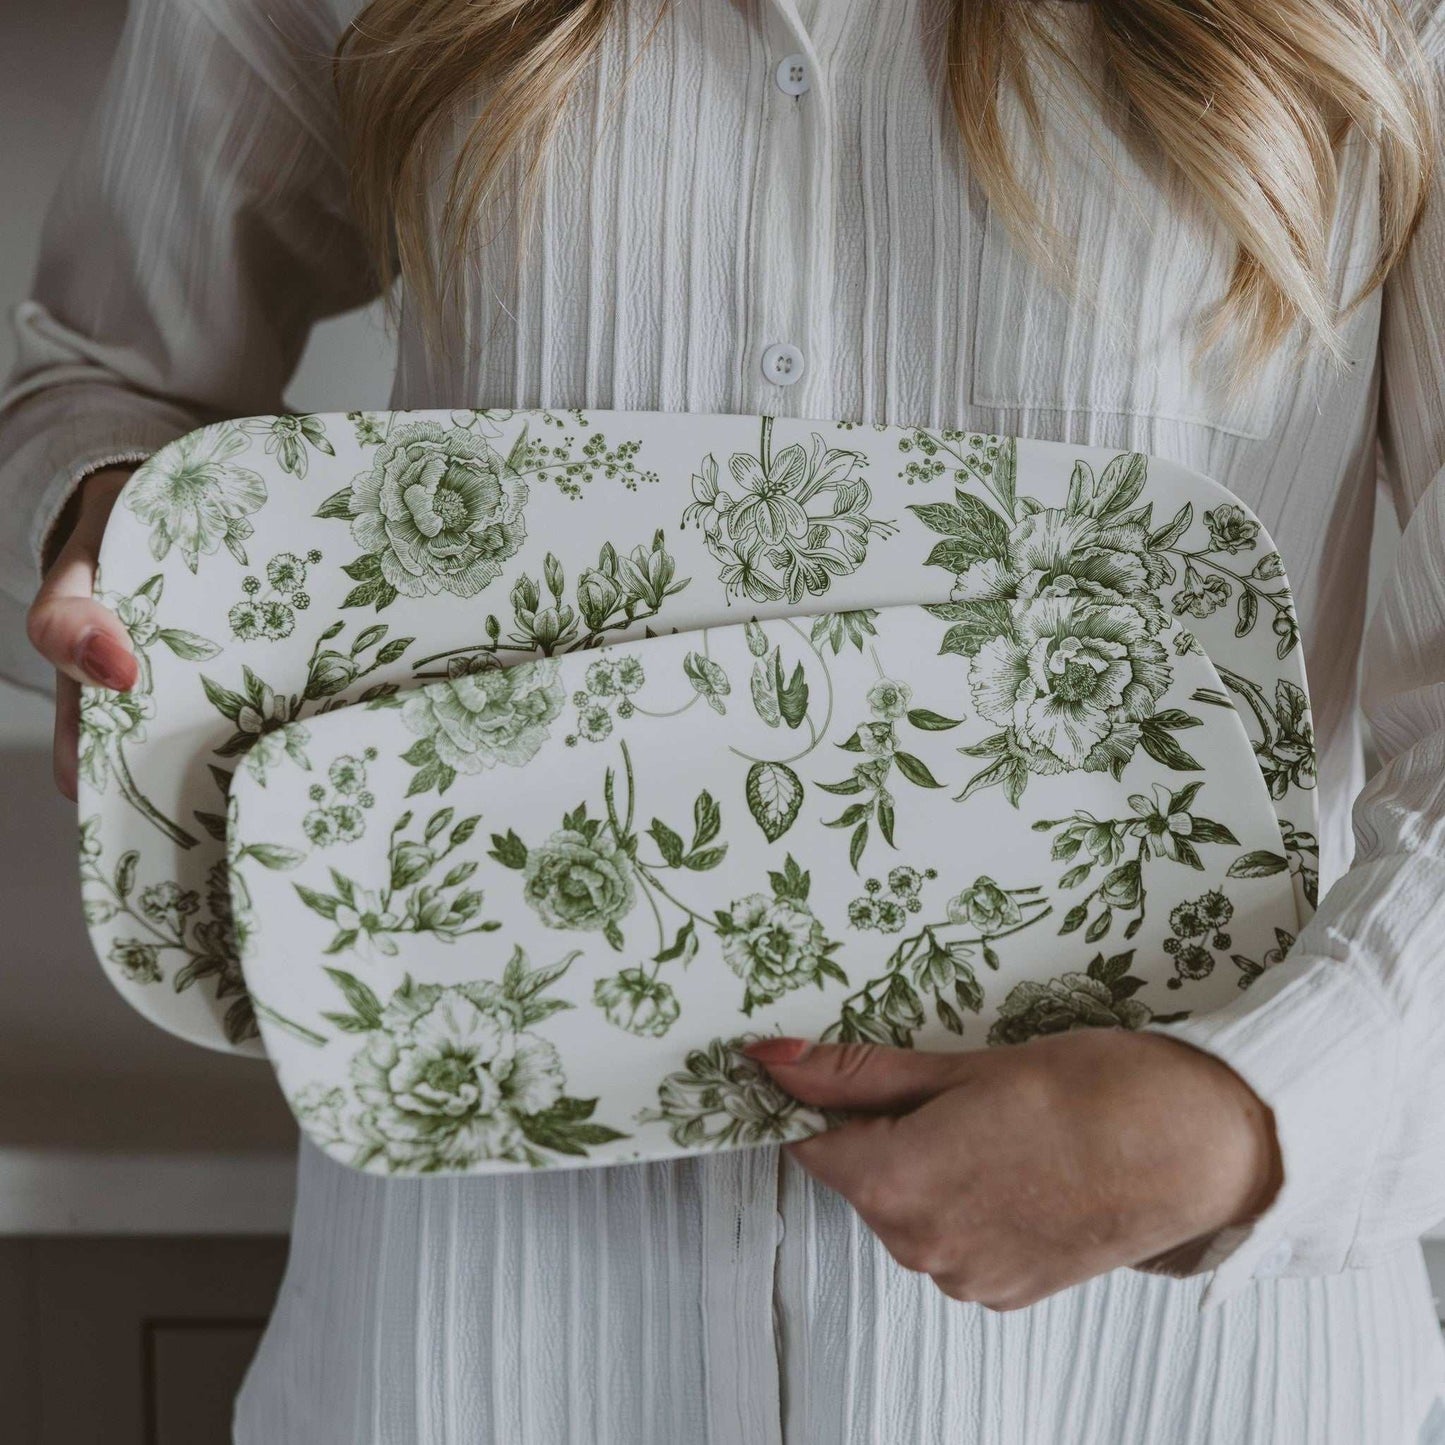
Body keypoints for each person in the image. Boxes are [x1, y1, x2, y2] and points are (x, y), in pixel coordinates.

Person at [5, 0, 1445, 1438]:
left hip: (1171, 1375)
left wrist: (1253, 1119)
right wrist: (116, 528)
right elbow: (96, 376)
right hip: (466, 1354)